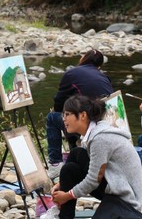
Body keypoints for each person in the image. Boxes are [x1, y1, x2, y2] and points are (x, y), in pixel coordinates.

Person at [38, 94, 142, 219]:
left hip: (125, 199)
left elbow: (93, 180)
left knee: (70, 167)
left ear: (82, 115)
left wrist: (66, 196)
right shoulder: (95, 133)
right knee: (75, 157)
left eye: (67, 115)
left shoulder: (100, 139)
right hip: (116, 184)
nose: (64, 119)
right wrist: (61, 185)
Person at [46, 49, 113, 177]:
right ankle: (76, 160)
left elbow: (59, 100)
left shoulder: (72, 73)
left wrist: (58, 110)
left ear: (84, 59)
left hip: (88, 124)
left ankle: (55, 164)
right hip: (107, 122)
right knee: (73, 116)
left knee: (52, 118)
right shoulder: (104, 77)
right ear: (99, 65)